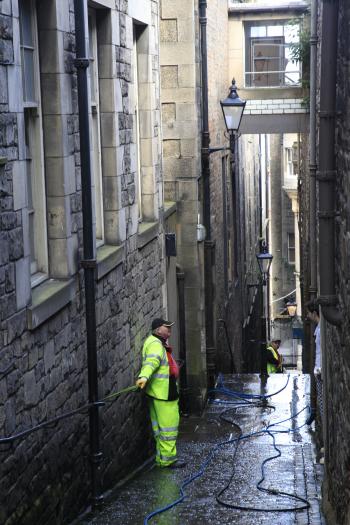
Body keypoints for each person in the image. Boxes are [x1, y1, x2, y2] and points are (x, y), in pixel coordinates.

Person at [136, 318, 186, 468]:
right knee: (168, 429)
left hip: (158, 392)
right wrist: (143, 377)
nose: (170, 330)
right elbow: (151, 362)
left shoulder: (155, 342)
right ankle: (168, 460)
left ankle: (161, 458)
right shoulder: (156, 345)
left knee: (160, 429)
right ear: (158, 330)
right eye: (167, 328)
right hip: (164, 393)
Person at [306, 301, 322, 426]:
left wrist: (318, 370)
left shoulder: (321, 330)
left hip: (320, 372)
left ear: (315, 313)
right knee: (321, 401)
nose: (307, 316)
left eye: (309, 313)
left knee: (322, 402)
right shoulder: (318, 328)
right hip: (318, 371)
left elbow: (321, 352)